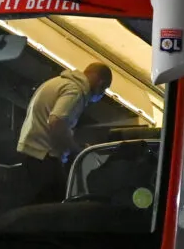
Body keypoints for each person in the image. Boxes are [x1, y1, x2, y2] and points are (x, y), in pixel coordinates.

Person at [16, 62, 113, 203]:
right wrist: (76, 150)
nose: (102, 94)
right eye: (104, 89)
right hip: (43, 158)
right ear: (101, 83)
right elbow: (57, 122)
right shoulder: (75, 91)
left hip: (33, 152)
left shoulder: (59, 82)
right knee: (57, 208)